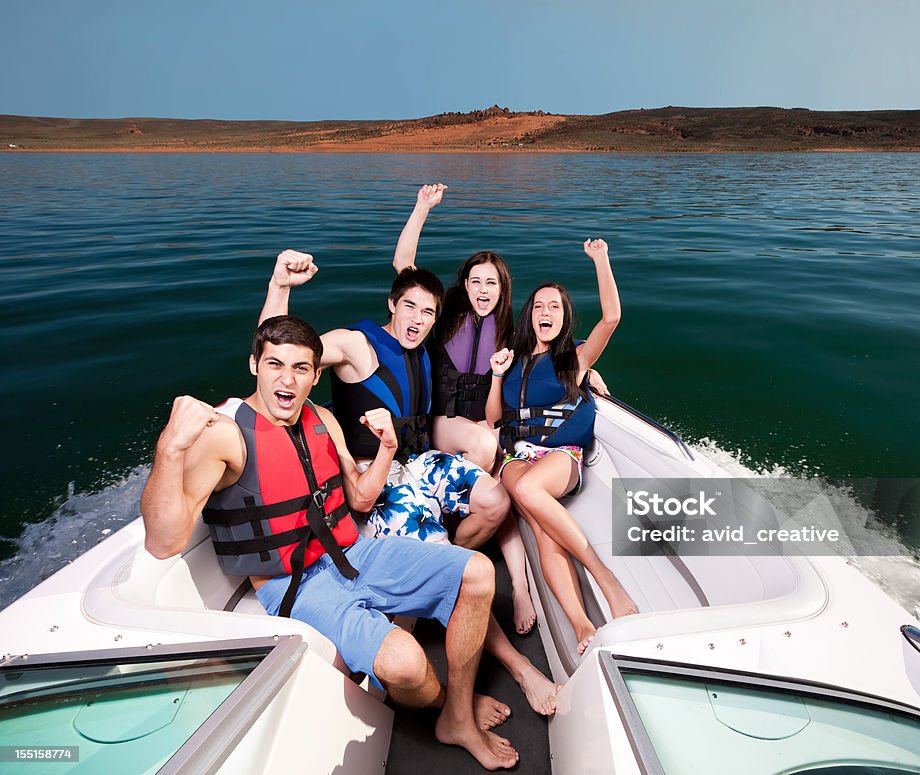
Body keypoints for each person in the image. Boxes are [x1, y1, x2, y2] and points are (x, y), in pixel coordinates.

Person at [140, 315, 518, 769]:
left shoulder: (322, 419)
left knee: (478, 571)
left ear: (315, 375)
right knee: (406, 666)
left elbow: (360, 496)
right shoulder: (224, 435)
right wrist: (170, 447)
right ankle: (442, 705)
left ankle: (456, 717)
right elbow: (164, 542)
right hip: (296, 584)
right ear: (254, 365)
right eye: (275, 364)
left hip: (356, 553)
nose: (288, 378)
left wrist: (386, 450)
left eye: (301, 368)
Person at [259, 254, 560, 716]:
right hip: (378, 478)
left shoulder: (420, 346)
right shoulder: (358, 345)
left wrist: (583, 369)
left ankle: (430, 568)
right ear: (391, 305)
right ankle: (517, 664)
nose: (418, 320)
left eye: (428, 313)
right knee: (452, 562)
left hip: (418, 462)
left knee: (496, 501)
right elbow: (282, 355)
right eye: (410, 308)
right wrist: (280, 288)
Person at [391, 183, 609, 636]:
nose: (483, 289)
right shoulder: (447, 313)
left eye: (492, 282)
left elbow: (549, 357)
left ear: (503, 288)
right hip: (448, 423)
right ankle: (457, 536)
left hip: (486, 423)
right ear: (464, 284)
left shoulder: (509, 326)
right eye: (476, 281)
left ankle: (523, 588)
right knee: (488, 447)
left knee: (503, 490)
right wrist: (421, 208)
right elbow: (404, 267)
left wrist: (589, 370)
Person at [487, 239, 638, 656]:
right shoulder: (512, 360)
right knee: (539, 526)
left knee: (530, 492)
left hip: (559, 456)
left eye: (554, 307)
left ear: (565, 316)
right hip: (518, 455)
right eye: (538, 306)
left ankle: (606, 579)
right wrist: (497, 376)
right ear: (529, 316)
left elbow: (611, 318)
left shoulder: (573, 360)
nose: (545, 313)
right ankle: (580, 623)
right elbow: (495, 419)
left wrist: (601, 259)